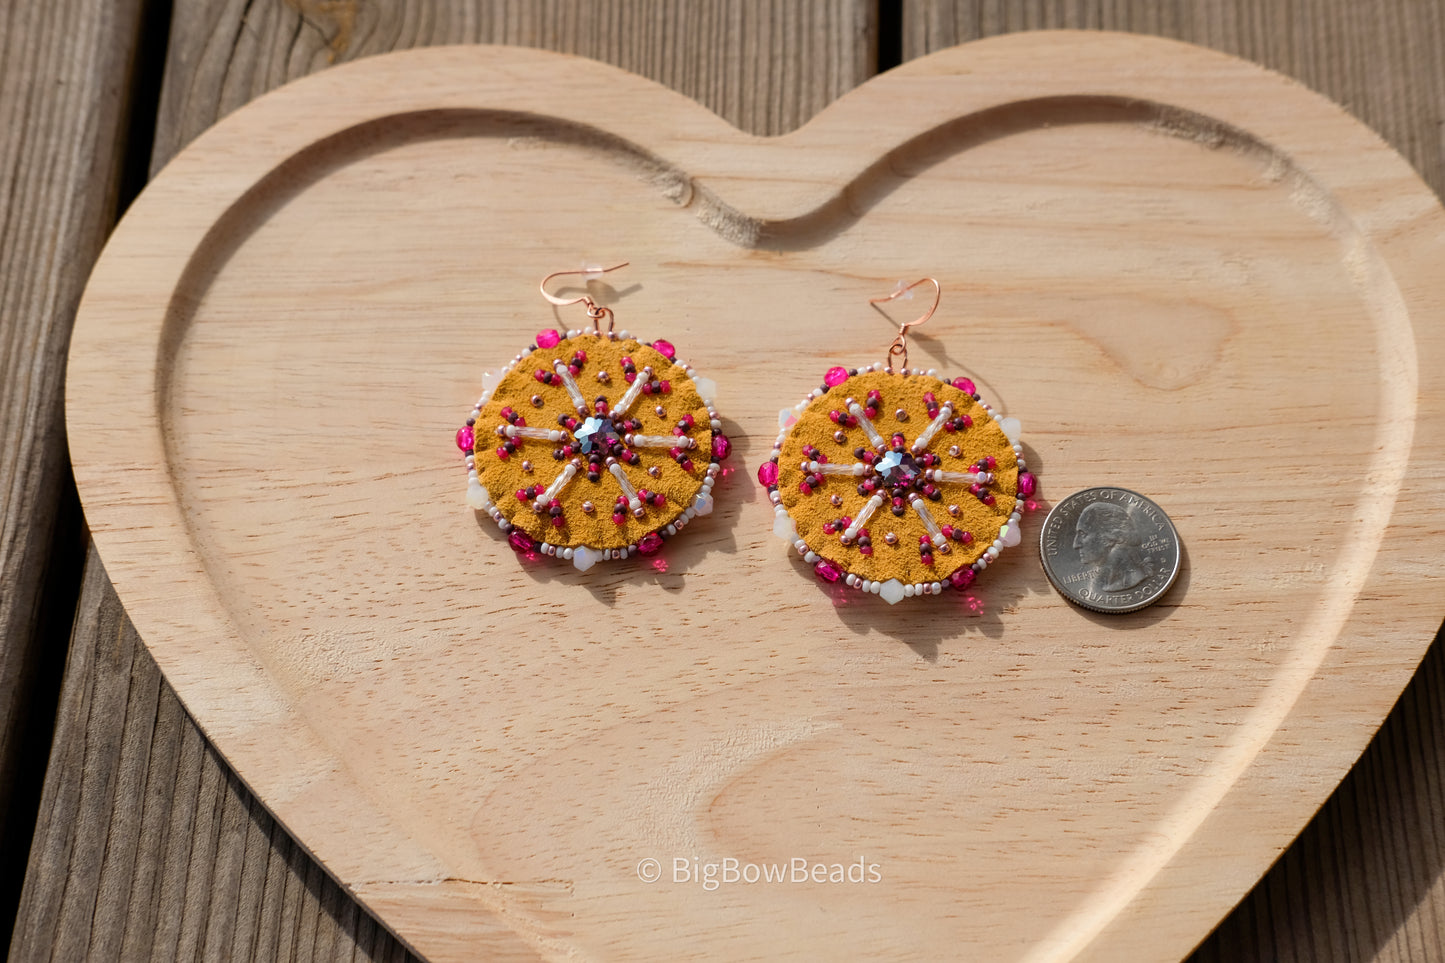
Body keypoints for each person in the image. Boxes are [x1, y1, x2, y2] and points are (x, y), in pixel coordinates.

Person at [1073, 501, 1150, 592]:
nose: (1075, 545)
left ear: (1111, 536)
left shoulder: (1132, 579)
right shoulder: (1111, 581)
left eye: (1083, 534)